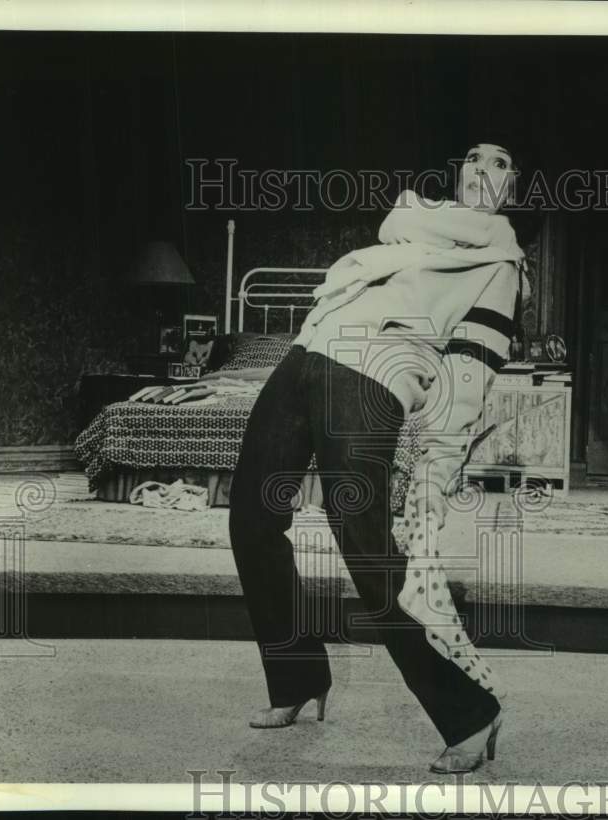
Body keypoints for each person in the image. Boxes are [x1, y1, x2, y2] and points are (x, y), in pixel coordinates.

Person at [228, 139, 538, 774]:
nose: (483, 168)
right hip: (308, 352)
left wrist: (437, 474)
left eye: (501, 163)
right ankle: (297, 678)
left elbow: (470, 375)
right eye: (475, 157)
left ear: (514, 190)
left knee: (364, 542)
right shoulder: (406, 227)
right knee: (250, 517)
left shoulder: (501, 263)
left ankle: (470, 712)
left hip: (374, 374)